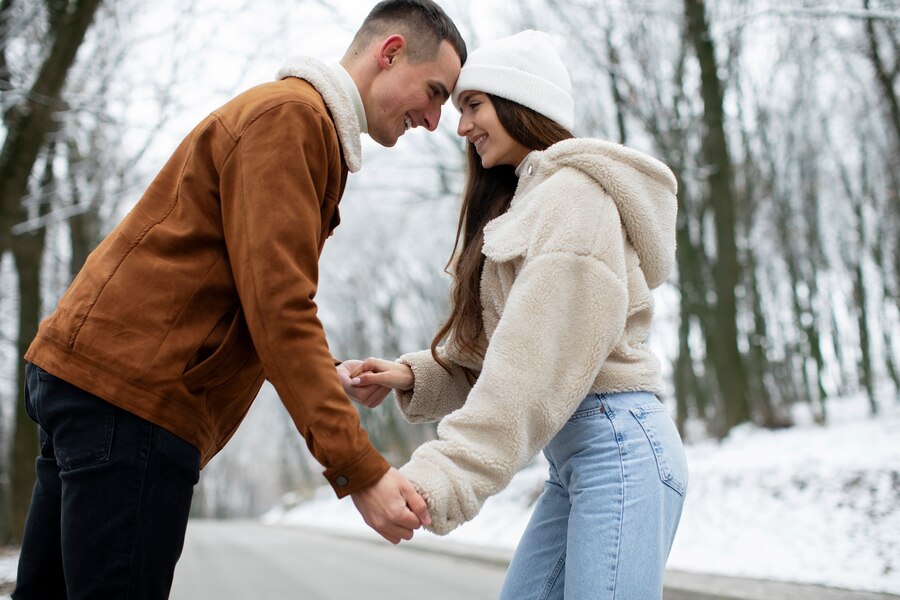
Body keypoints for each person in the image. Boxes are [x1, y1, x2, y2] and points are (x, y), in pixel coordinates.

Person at [14, 1, 466, 598]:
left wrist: (323, 377)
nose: (435, 120)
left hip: (100, 384)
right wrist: (360, 469)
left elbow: (248, 297)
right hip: (136, 402)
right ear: (390, 53)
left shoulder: (290, 118)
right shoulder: (292, 120)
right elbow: (280, 309)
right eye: (435, 91)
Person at [344, 30, 687, 599]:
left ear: (521, 105)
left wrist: (440, 478)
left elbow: (528, 378)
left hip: (620, 452)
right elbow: (506, 353)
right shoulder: (527, 203)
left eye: (473, 106)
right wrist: (414, 374)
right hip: (578, 461)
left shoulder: (574, 198)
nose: (460, 127)